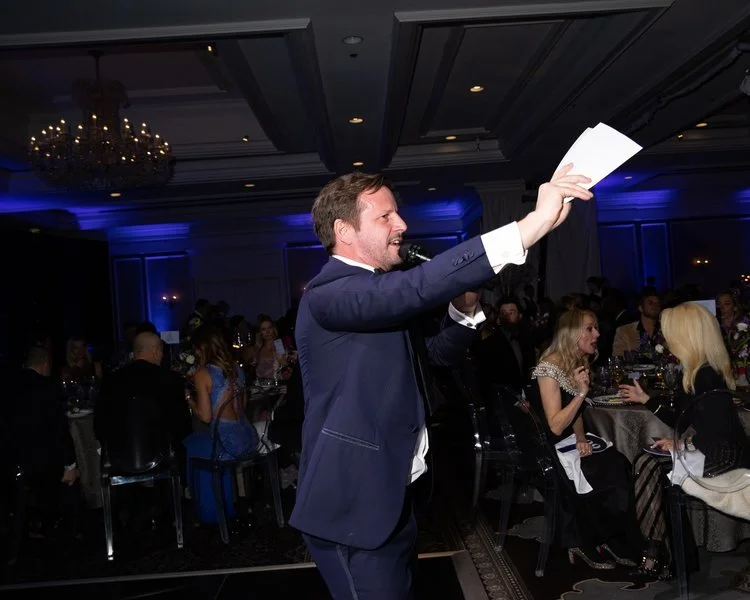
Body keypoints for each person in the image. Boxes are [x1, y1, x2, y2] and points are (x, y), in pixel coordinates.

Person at [290, 164, 592, 599]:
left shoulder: (375, 293)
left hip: (392, 494)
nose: (401, 225)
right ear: (344, 230)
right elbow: (412, 289)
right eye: (385, 216)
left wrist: (463, 314)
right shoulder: (328, 293)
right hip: (351, 503)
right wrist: (530, 226)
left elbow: (432, 355)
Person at [618, 302, 750, 578]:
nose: (667, 339)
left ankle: (658, 555)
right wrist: (646, 400)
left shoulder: (706, 375)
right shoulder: (696, 369)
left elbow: (718, 433)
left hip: (723, 458)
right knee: (647, 462)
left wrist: (682, 445)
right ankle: (665, 555)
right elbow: (682, 418)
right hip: (713, 450)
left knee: (648, 465)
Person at [527, 309, 644, 570]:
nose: (597, 334)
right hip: (548, 449)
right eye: (590, 328)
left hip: (566, 441)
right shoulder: (549, 368)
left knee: (617, 463)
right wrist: (582, 393)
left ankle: (608, 536)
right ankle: (585, 540)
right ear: (572, 334)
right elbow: (556, 425)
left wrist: (581, 437)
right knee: (608, 469)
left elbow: (576, 414)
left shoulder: (575, 360)